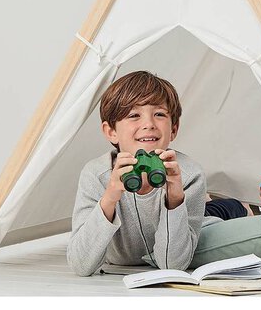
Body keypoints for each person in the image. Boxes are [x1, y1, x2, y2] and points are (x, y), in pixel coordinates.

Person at [66, 71, 250, 276]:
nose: (149, 124)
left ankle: (239, 206)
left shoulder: (189, 174)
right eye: (134, 115)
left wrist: (175, 200)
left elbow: (172, 265)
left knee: (218, 213)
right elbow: (80, 265)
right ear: (111, 131)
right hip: (118, 201)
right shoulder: (96, 175)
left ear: (174, 129)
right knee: (209, 208)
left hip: (196, 220)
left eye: (159, 114)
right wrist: (109, 198)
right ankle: (210, 201)